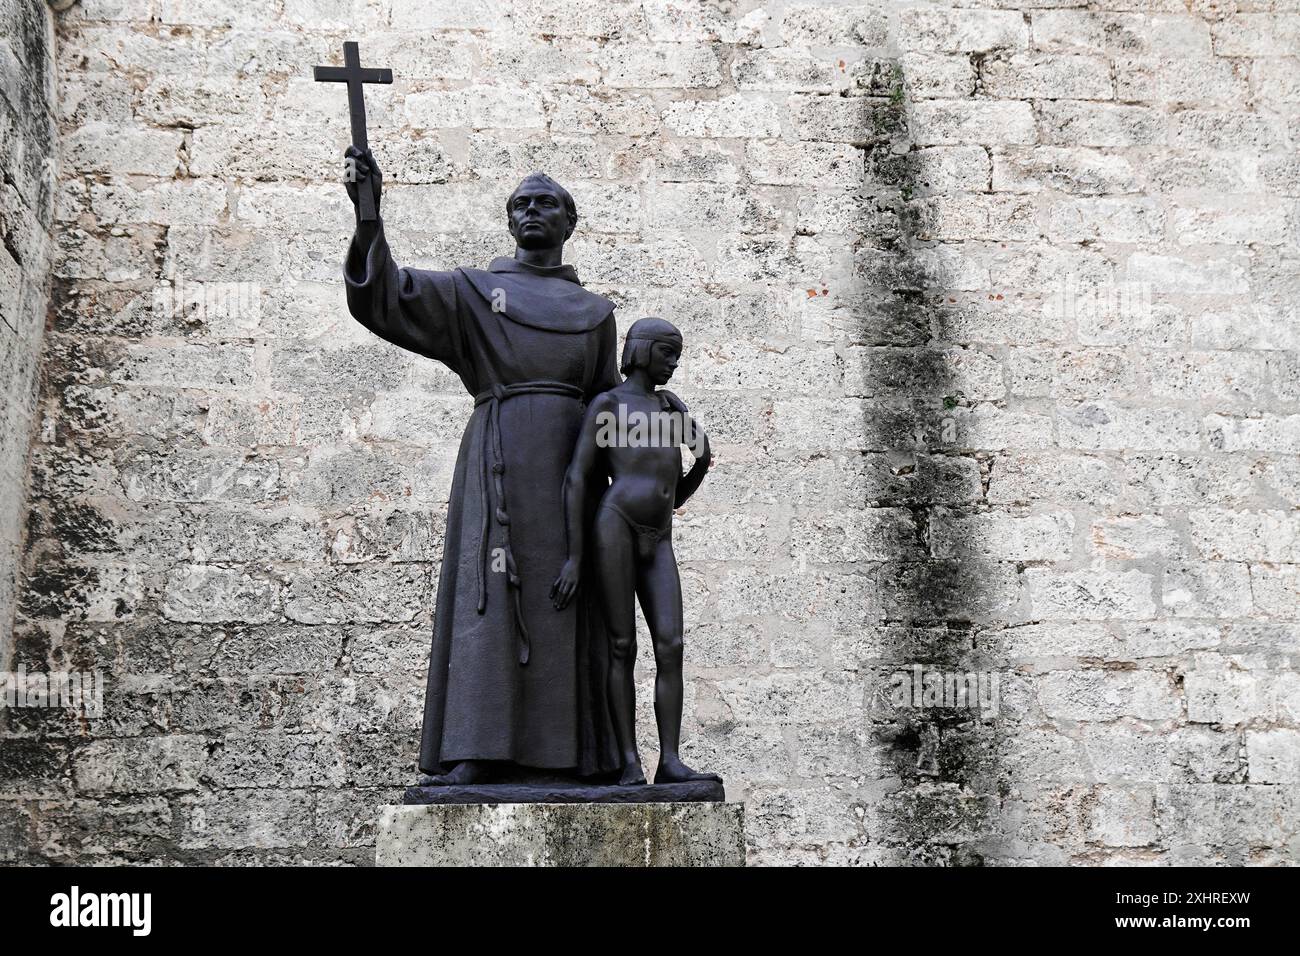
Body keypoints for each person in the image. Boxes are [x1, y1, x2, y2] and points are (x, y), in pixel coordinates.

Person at [340, 145, 620, 784]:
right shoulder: (474, 294)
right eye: (520, 204)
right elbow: (386, 295)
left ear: (568, 221)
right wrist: (368, 215)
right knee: (488, 594)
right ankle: (476, 748)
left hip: (570, 474)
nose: (531, 212)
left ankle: (578, 757)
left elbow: (609, 404)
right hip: (497, 458)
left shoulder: (598, 315)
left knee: (569, 603)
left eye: (544, 203)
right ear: (509, 220)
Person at [551, 318, 720, 786]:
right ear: (643, 350)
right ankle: (628, 759)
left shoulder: (669, 408)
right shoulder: (609, 405)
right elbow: (578, 477)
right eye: (668, 352)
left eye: (677, 353)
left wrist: (694, 468)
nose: (675, 361)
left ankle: (670, 758)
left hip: (657, 535)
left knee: (672, 644)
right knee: (622, 644)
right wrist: (575, 557)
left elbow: (687, 476)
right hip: (616, 526)